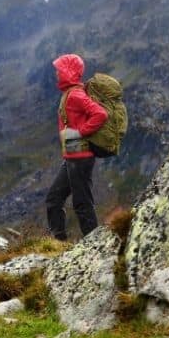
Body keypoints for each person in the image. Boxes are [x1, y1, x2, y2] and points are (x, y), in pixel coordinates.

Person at [46, 54, 108, 240]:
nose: (56, 73)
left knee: (82, 203)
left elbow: (100, 114)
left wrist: (81, 131)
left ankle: (94, 245)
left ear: (68, 72)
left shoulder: (75, 95)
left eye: (59, 70)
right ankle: (59, 243)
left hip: (80, 158)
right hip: (72, 157)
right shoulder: (70, 93)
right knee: (54, 199)